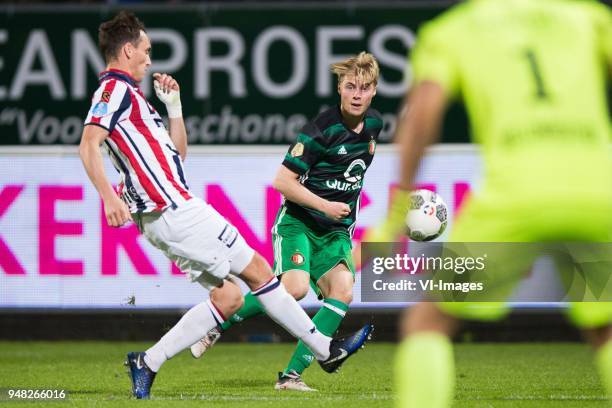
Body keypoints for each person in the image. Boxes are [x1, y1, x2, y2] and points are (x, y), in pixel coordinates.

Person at [78, 11, 373, 400]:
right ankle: (324, 348)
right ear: (128, 49)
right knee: (261, 272)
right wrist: (108, 196)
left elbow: (177, 155)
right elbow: (88, 144)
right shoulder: (112, 91)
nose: (150, 59)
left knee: (229, 298)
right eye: (146, 50)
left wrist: (175, 107)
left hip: (166, 213)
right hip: (173, 209)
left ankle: (146, 363)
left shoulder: (134, 99)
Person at [367, 0, 612, 406]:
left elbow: (422, 113)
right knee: (605, 326)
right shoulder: (587, 16)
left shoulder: (453, 30)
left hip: (515, 198)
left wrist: (397, 213)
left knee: (429, 320)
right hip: (599, 195)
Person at [190, 52, 383, 391]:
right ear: (339, 87)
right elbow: (282, 182)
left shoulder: (374, 126)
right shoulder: (320, 130)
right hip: (299, 224)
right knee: (293, 288)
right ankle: (218, 321)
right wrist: (324, 204)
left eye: (364, 88)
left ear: (374, 92)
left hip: (335, 232)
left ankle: (290, 377)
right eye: (350, 86)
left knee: (343, 291)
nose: (357, 94)